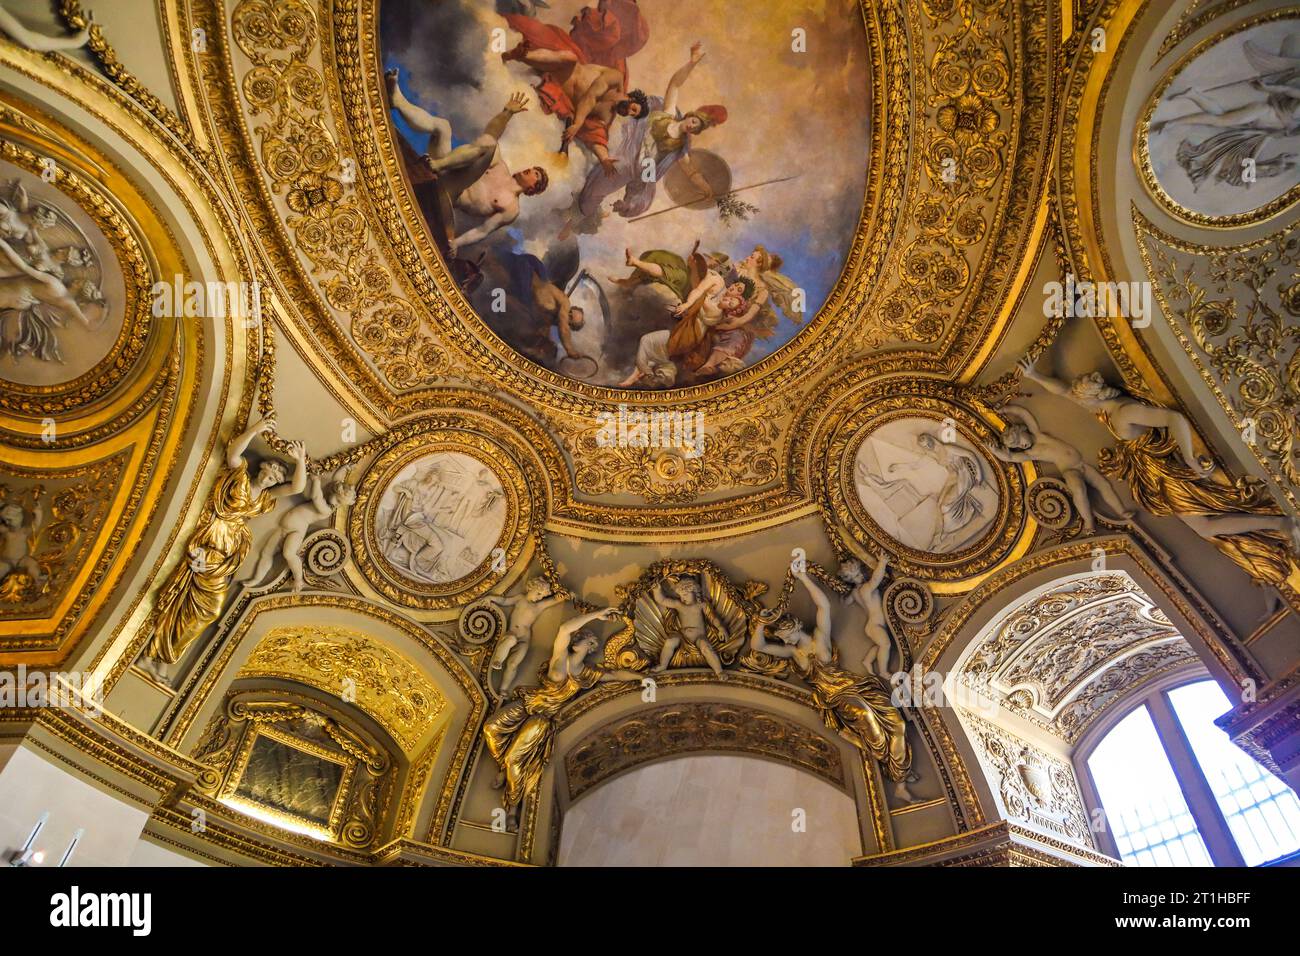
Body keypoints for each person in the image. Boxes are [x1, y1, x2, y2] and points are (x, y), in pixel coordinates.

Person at [749, 571, 915, 800]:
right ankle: (897, 777)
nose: (784, 641)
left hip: (857, 687)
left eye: (786, 635)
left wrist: (802, 576)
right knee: (869, 723)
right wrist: (760, 622)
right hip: (837, 697)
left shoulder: (820, 639)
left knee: (898, 724)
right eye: (782, 638)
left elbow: (823, 606)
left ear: (796, 627)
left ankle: (900, 778)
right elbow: (758, 647)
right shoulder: (792, 653)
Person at [483, 607, 642, 823]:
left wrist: (643, 679)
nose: (577, 638)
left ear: (591, 646)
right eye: (578, 636)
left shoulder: (587, 673)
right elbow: (565, 629)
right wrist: (597, 614)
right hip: (529, 702)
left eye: (583, 639)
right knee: (490, 728)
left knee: (514, 759)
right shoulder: (560, 656)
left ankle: (512, 806)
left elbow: (615, 674)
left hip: (542, 718)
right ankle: (502, 767)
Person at [386, 72, 548, 252]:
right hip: (443, 170)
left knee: (489, 146)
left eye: (535, 173)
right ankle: (398, 102)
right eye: (533, 168)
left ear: (533, 189)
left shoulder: (511, 208)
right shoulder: (500, 167)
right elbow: (491, 132)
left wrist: (456, 243)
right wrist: (507, 112)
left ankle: (438, 165)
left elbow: (482, 230)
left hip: (449, 195)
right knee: (443, 127)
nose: (529, 169)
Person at [501, 11, 649, 168]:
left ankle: (521, 56)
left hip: (557, 87)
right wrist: (578, 123)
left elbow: (597, 138)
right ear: (631, 97)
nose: (629, 113)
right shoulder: (616, 78)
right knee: (569, 58)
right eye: (633, 108)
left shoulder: (607, 116)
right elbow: (591, 96)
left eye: (633, 115)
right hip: (564, 66)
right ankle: (520, 55)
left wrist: (604, 159)